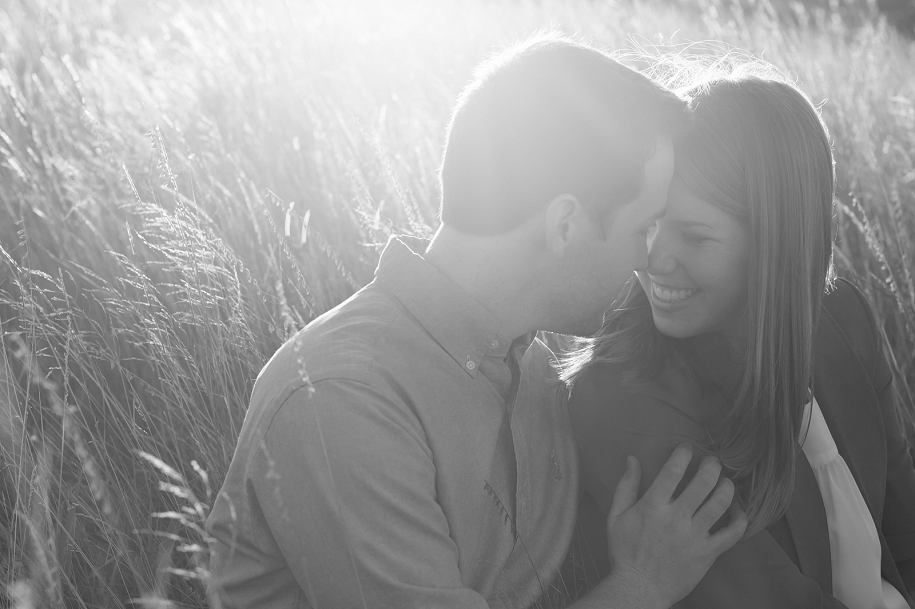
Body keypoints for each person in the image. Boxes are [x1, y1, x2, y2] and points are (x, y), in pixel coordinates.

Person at [204, 35, 748, 609]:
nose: (647, 259)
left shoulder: (531, 365)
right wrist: (642, 587)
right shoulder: (342, 396)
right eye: (644, 228)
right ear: (565, 225)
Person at [565, 67, 915, 608]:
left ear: (778, 242)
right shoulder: (627, 398)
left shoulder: (844, 319)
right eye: (651, 221)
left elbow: (904, 526)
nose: (652, 258)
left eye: (696, 235)